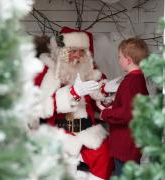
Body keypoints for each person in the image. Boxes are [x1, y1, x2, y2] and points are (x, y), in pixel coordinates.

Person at [32, 26, 120, 180]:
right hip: (55, 127)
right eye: (74, 50)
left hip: (84, 127)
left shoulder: (90, 72)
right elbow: (39, 106)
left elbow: (96, 104)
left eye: (82, 51)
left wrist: (106, 96)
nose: (78, 55)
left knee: (105, 153)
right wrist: (73, 93)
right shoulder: (46, 72)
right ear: (63, 51)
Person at [100, 37, 149, 177]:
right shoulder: (139, 79)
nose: (119, 60)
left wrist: (106, 114)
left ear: (128, 59)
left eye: (120, 57)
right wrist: (115, 103)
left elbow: (127, 114)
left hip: (125, 144)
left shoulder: (129, 82)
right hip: (132, 142)